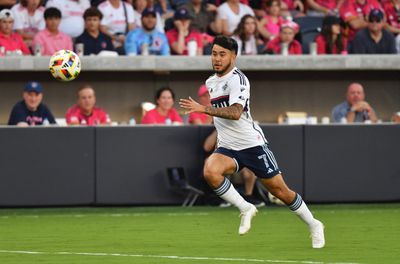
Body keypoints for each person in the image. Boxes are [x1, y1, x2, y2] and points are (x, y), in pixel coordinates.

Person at [179, 35, 325, 248]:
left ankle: (314, 224)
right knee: (210, 171)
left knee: (280, 191)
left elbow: (236, 112)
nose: (217, 59)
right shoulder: (211, 82)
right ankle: (245, 207)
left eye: (222, 54)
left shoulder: (239, 79)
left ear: (234, 57)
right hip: (228, 146)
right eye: (214, 54)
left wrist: (204, 109)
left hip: (251, 144)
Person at [203, 129, 266, 207]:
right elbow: (206, 147)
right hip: (222, 164)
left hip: (238, 164)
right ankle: (222, 198)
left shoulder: (240, 132)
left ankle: (248, 196)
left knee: (249, 168)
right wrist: (217, 130)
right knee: (211, 164)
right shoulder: (218, 131)